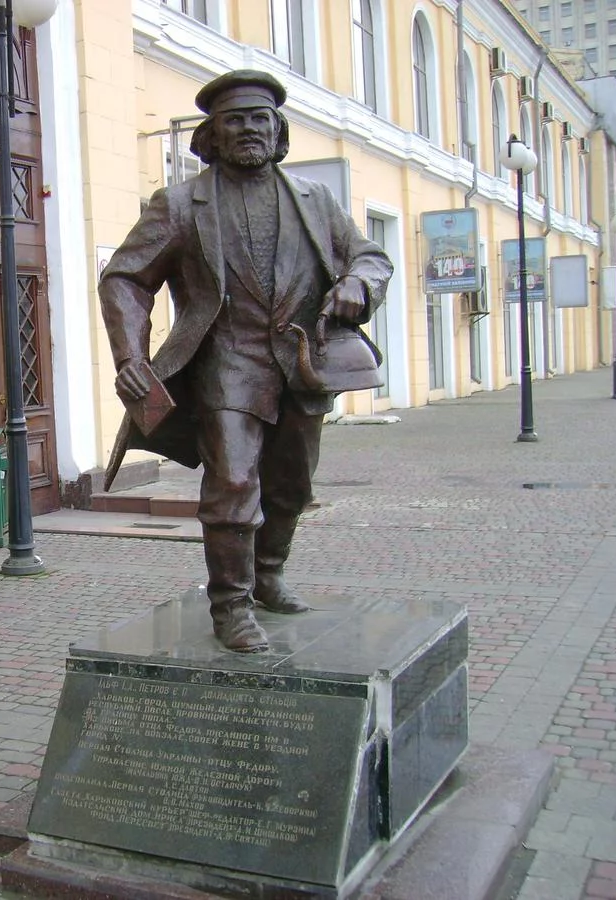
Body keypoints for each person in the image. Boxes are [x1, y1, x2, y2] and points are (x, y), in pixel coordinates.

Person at [99, 70, 393, 653]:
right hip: (226, 364)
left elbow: (370, 257)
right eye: (235, 120)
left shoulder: (315, 200)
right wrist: (130, 355)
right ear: (212, 134)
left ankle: (268, 574)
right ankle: (230, 604)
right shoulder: (179, 204)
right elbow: (125, 279)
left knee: (291, 484)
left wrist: (359, 283)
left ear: (278, 131)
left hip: (301, 362)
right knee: (233, 481)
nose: (249, 129)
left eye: (260, 119)